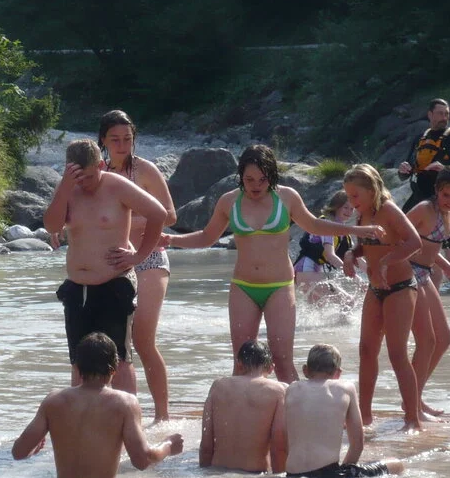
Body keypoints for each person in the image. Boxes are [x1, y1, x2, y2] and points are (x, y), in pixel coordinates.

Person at [163, 144, 384, 382]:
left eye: (262, 179)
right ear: (241, 177)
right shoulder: (229, 201)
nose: (256, 185)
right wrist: (171, 239)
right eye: (249, 180)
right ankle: (243, 417)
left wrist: (354, 229)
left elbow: (314, 225)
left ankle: (294, 415)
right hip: (243, 287)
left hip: (279, 286)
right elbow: (207, 237)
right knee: (242, 362)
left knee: (281, 361)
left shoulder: (287, 197)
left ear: (272, 176)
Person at [43, 139, 168, 394]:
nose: (83, 183)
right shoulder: (69, 187)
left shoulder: (117, 185)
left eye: (88, 177)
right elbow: (52, 227)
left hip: (114, 283)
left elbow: (159, 213)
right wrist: (66, 186)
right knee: (79, 360)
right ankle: (80, 424)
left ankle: (127, 422)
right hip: (78, 287)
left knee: (119, 359)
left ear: (100, 165)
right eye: (77, 177)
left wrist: (139, 256)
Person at [12, 332, 183, 478]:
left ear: (77, 367)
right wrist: (168, 445)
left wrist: (33, 449)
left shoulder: (54, 400)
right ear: (115, 368)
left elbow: (18, 452)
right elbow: (142, 460)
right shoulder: (125, 403)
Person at [98, 110, 178, 422]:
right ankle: (117, 413)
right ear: (103, 140)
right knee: (112, 342)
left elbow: (170, 216)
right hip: (114, 260)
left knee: (144, 339)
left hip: (150, 255)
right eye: (115, 139)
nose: (122, 145)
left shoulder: (144, 170)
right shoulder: (98, 172)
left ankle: (162, 416)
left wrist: (134, 217)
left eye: (127, 139)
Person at [340, 163, 424, 433]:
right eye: (348, 196)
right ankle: (364, 416)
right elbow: (364, 245)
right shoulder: (363, 214)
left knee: (397, 353)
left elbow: (415, 242)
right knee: (366, 350)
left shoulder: (388, 210)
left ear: (372, 189)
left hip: (400, 287)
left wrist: (389, 260)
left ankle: (412, 419)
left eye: (355, 196)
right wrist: (352, 254)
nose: (352, 203)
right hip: (375, 289)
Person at [397, 98, 450, 302]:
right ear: (430, 115)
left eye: (447, 113)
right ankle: (422, 296)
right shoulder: (419, 139)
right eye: (440, 113)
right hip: (419, 199)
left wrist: (445, 169)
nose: (444, 117)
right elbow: (406, 172)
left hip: (446, 202)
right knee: (402, 236)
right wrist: (403, 170)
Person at [284, 344, 405, 478]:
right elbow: (358, 443)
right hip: (328, 474)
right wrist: (347, 469)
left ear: (305, 370)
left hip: (292, 473)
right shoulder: (345, 388)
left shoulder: (292, 389)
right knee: (396, 464)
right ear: (338, 373)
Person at [406, 166, 450, 419]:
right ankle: (412, 405)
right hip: (408, 273)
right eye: (447, 196)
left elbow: (430, 249)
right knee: (428, 341)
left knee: (443, 339)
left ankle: (416, 398)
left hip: (425, 273)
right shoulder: (424, 209)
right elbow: (395, 235)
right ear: (437, 190)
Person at [199, 339, 288, 473]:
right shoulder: (278, 391)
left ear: (239, 364)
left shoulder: (218, 386)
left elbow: (206, 445)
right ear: (271, 368)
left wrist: (204, 473)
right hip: (255, 475)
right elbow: (278, 446)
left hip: (217, 472)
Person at [292, 189, 355, 305]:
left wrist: (372, 276)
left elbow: (357, 259)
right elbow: (330, 255)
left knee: (318, 311)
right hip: (305, 270)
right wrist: (353, 275)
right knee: (347, 301)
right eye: (346, 207)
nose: (349, 212)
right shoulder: (327, 224)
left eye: (352, 208)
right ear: (337, 206)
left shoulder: (344, 233)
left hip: (311, 272)